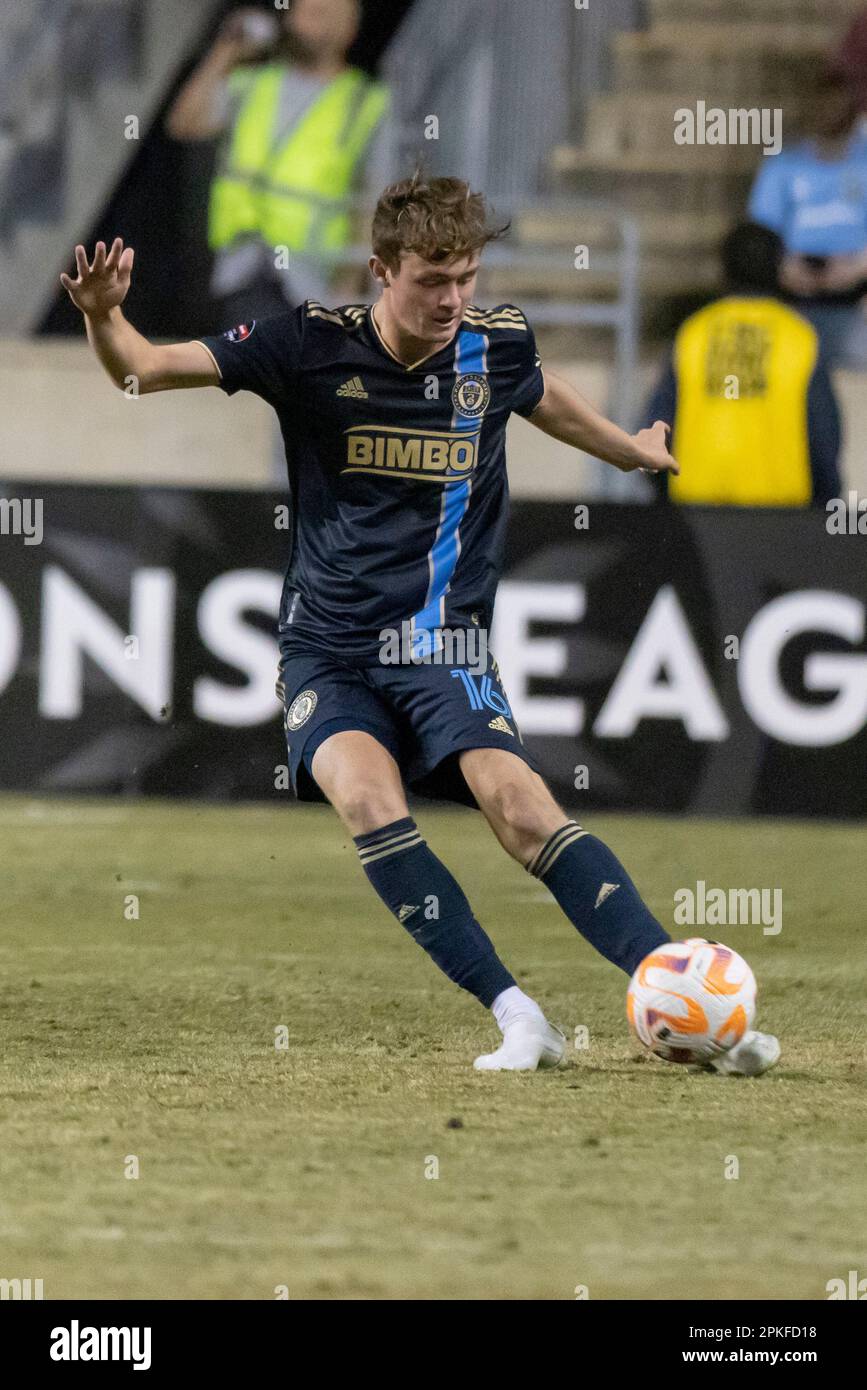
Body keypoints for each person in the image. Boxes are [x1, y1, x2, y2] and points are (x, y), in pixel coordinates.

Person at [59, 174, 780, 1078]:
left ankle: (681, 995)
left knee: (520, 808)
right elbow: (145, 368)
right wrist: (101, 318)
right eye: (431, 281)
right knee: (368, 800)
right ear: (380, 270)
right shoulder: (306, 346)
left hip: (446, 642)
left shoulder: (493, 348)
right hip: (326, 646)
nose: (451, 300)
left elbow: (541, 391)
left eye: (466, 278)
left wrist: (628, 447)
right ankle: (520, 1019)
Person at [166, 0, 391, 326]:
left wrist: (350, 280)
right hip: (244, 267)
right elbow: (185, 122)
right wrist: (226, 51)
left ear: (349, 28)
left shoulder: (363, 102)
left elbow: (369, 202)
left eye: (325, 12)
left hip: (314, 278)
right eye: (306, 9)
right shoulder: (254, 83)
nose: (311, 18)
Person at [643, 222, 841, 506]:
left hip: (696, 511)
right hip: (781, 514)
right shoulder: (799, 337)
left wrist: (664, 496)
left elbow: (658, 428)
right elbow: (822, 437)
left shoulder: (695, 332)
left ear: (724, 268)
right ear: (778, 268)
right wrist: (825, 504)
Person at [748, 68, 867, 369]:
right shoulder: (782, 166)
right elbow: (758, 239)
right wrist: (784, 266)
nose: (831, 114)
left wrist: (859, 266)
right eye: (824, 105)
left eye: (839, 106)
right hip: (793, 292)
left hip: (857, 294)